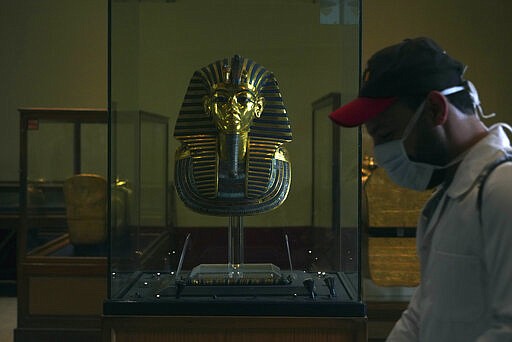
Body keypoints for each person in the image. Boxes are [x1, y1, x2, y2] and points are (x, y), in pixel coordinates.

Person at [330, 37, 512, 341]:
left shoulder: (501, 190)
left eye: (387, 134)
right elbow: (422, 313)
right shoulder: (448, 197)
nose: (382, 153)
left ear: (434, 109)